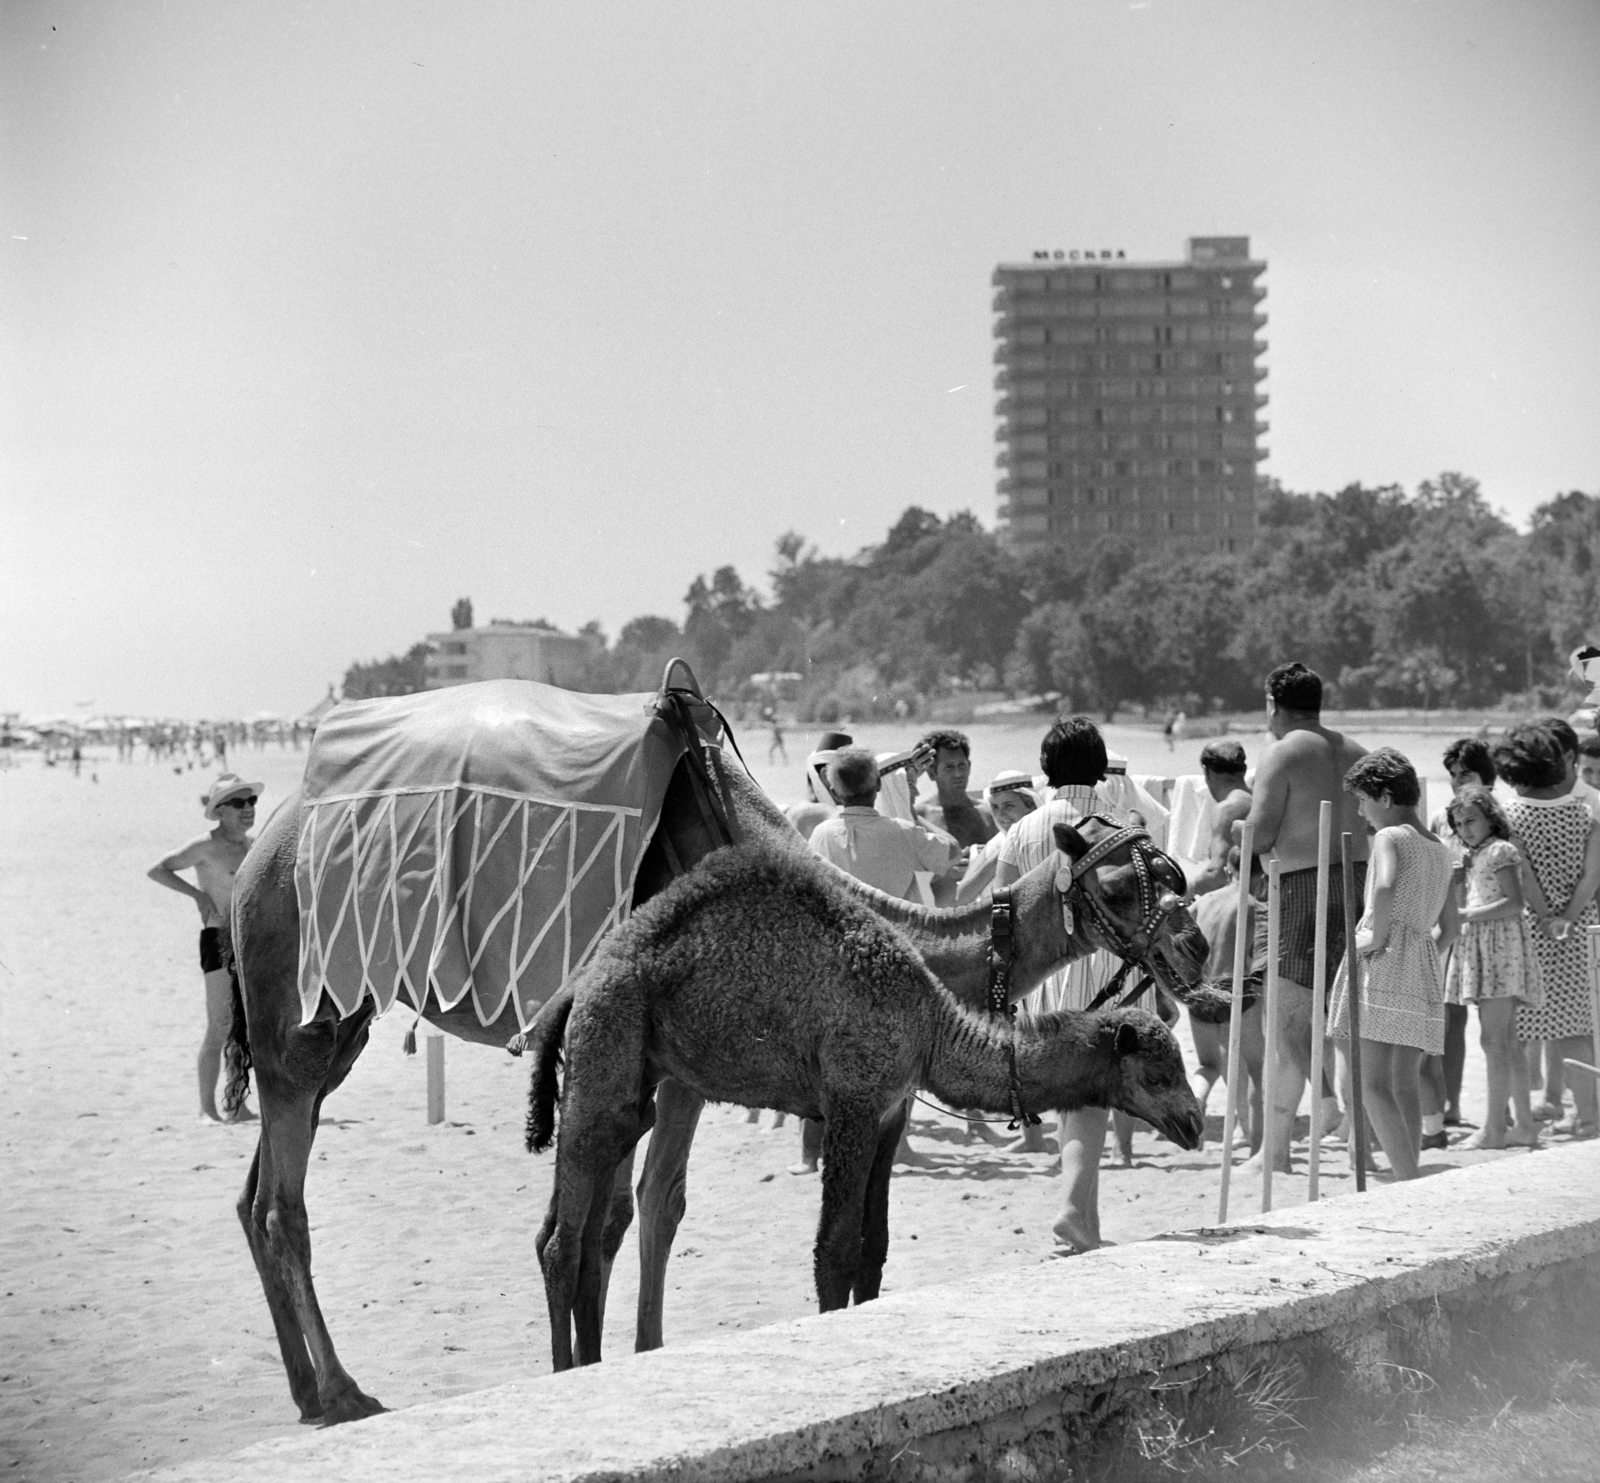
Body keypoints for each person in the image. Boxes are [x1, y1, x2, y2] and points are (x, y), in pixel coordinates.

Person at [993, 716, 1142, 1251]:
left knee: (1074, 1105)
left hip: (1043, 983)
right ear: (1100, 766)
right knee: (1089, 1103)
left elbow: (1000, 907)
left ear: (1046, 768)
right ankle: (1074, 1214)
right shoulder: (1121, 823)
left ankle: (1085, 1222)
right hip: (1102, 976)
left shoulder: (1024, 829)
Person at [801, 749, 961, 1174]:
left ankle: (826, 1149)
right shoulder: (902, 832)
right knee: (901, 1058)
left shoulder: (820, 837)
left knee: (835, 1058)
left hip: (841, 961)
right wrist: (911, 812)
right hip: (897, 957)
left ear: (834, 789)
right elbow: (951, 853)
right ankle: (896, 1146)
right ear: (876, 788)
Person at [1235, 662, 1369, 1169]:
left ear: (1273, 705)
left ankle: (1276, 1153)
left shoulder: (1283, 751)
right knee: (1347, 1025)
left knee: (1288, 1026)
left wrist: (1235, 839)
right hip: (1356, 883)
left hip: (1301, 886)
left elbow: (1261, 831)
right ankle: (1361, 1145)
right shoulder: (1356, 751)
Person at [1327, 749, 1457, 1182]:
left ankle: (1407, 1180)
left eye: (1363, 800)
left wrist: (1377, 938)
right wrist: (1418, 961)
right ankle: (1411, 1171)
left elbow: (1383, 888)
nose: (1361, 812)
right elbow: (1450, 928)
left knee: (1370, 1083)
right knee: (1404, 1082)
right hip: (1420, 963)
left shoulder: (1390, 837)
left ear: (1384, 797)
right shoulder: (1439, 848)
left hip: (1383, 959)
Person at [1493, 723, 1600, 1138]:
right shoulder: (1586, 814)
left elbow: (1524, 877)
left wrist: (1543, 916)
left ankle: (1520, 1121)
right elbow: (1593, 876)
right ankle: (1589, 1117)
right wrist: (1568, 916)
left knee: (1521, 1030)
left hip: (1530, 932)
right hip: (1578, 929)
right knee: (1575, 1026)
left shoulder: (1509, 816)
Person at [148, 774, 263, 1124]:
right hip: (217, 939)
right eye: (239, 803)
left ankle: (237, 1104)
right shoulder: (205, 846)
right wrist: (198, 896)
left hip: (250, 940)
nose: (248, 809)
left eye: (251, 802)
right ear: (221, 811)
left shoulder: (254, 846)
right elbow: (158, 870)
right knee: (219, 1025)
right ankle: (206, 1109)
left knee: (244, 1027)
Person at [1445, 784, 1543, 1149]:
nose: (1465, 828)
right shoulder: (1479, 852)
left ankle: (1494, 1129)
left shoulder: (1501, 850)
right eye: (1459, 823)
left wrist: (1466, 914)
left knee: (1493, 1039)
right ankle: (1524, 1124)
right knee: (1507, 1041)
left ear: (1490, 817)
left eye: (1471, 820)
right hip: (1488, 946)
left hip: (1500, 948)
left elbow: (1514, 903)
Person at [1186, 739, 1252, 898]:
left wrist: (1188, 890)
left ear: (1206, 771)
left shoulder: (1227, 810)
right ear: (1244, 769)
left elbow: (1217, 874)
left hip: (1241, 906)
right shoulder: (1256, 800)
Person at [914, 730, 997, 850]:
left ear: (969, 767)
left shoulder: (989, 814)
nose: (958, 774)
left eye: (962, 765)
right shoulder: (920, 816)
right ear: (932, 773)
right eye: (949, 767)